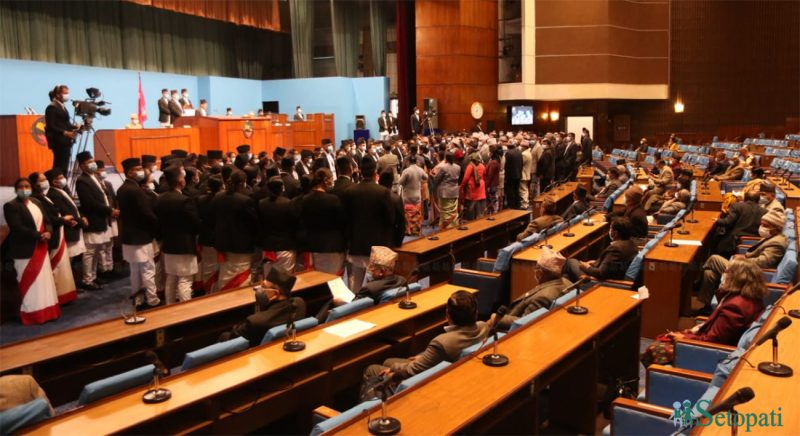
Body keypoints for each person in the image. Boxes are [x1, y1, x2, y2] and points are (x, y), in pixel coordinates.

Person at [643, 259, 766, 367]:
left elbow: (712, 341)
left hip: (711, 353)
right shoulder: (750, 297)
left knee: (654, 349)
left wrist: (684, 338)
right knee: (665, 339)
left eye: (727, 272)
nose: (723, 275)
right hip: (712, 343)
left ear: (736, 277)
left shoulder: (736, 306)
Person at [361, 290, 488, 384]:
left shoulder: (442, 342)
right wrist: (425, 357)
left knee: (371, 369)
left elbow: (412, 371)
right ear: (476, 313)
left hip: (431, 380)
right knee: (388, 361)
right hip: (455, 369)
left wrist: (394, 370)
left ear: (447, 314)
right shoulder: (483, 327)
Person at [697, 211, 787, 309]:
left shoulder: (777, 243)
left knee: (714, 258)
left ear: (776, 227)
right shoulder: (772, 236)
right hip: (747, 268)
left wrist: (744, 259)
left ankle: (697, 280)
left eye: (765, 225)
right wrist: (744, 258)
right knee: (709, 273)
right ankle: (707, 307)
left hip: (750, 274)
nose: (761, 227)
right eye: (761, 224)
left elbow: (764, 262)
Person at [3, 178, 61, 324]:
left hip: (42, 247)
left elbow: (47, 221)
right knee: (31, 284)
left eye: (27, 186)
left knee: (43, 282)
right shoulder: (11, 206)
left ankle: (48, 313)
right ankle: (32, 315)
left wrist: (48, 232)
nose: (24, 189)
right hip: (25, 251)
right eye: (21, 186)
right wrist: (39, 235)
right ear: (16, 189)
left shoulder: (36, 202)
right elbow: (17, 227)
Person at [341, 158, 396, 291]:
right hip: (378, 246)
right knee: (377, 287)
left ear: (360, 171)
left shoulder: (349, 191)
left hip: (356, 245)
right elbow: (390, 219)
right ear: (375, 173)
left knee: (354, 285)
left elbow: (345, 220)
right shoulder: (382, 192)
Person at [219, 267, 305, 347]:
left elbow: (231, 338)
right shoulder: (300, 304)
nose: (259, 290)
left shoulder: (255, 321)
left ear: (275, 293)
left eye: (263, 287)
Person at [117, 158, 160, 308]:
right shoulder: (136, 190)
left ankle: (138, 299)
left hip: (129, 237)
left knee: (134, 271)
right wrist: (157, 225)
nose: (141, 171)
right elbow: (147, 214)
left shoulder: (122, 189)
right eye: (138, 169)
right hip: (141, 237)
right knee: (148, 270)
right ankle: (152, 299)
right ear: (130, 172)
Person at [29, 172, 77, 305]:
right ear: (34, 184)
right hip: (52, 235)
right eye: (42, 180)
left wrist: (67, 221)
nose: (45, 182)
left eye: (45, 179)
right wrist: (63, 219)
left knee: (62, 267)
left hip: (59, 232)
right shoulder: (35, 199)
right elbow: (47, 219)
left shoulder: (43, 196)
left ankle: (64, 295)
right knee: (56, 267)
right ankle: (57, 296)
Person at [155, 166, 201, 304]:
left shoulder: (160, 198)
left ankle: (169, 306)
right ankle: (186, 310)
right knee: (185, 280)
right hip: (184, 245)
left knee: (171, 278)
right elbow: (195, 223)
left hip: (168, 244)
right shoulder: (184, 200)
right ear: (180, 181)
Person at [495, 248, 571, 331]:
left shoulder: (542, 297)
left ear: (540, 273)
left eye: (536, 268)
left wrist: (498, 320)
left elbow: (524, 322)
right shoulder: (567, 282)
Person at [74, 151, 117, 290]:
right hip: (93, 220)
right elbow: (90, 202)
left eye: (92, 161)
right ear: (82, 166)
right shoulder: (82, 180)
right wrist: (109, 210)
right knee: (90, 252)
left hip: (101, 220)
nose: (92, 164)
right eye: (89, 162)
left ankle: (93, 276)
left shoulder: (95, 177)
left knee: (98, 249)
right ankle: (87, 280)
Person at [212, 170, 258, 291]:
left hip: (222, 242)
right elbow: (253, 223)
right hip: (241, 244)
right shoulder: (245, 200)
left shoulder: (218, 197)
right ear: (242, 183)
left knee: (225, 274)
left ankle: (224, 299)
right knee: (240, 277)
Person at [300, 169, 346, 275]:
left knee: (317, 279)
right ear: (325, 180)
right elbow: (342, 222)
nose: (332, 182)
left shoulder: (305, 199)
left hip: (312, 244)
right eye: (331, 179)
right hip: (332, 245)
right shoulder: (333, 199)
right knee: (332, 280)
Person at [563, 217, 638, 281]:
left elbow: (601, 273)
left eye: (610, 228)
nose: (609, 231)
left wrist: (587, 267)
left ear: (615, 233)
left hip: (599, 281)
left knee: (570, 262)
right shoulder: (632, 244)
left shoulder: (616, 249)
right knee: (569, 273)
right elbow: (614, 265)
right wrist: (596, 262)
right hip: (608, 273)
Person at [44, 168, 87, 265]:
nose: (64, 179)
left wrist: (82, 217)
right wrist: (81, 221)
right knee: (67, 260)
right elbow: (65, 212)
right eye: (61, 177)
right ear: (54, 181)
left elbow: (73, 207)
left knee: (71, 259)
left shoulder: (61, 190)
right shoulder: (53, 194)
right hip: (69, 229)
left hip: (75, 226)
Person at [713, 191, 764, 257]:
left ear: (745, 198)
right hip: (754, 245)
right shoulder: (764, 211)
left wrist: (716, 220)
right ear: (758, 200)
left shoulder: (737, 206)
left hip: (734, 244)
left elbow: (727, 222)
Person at [196, 175, 223, 293]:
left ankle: (208, 292)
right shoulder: (222, 200)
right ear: (221, 186)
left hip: (205, 236)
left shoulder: (200, 199)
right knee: (218, 267)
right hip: (218, 237)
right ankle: (214, 292)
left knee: (207, 267)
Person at [44, 84, 78, 173]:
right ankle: (57, 180)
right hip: (59, 141)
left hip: (66, 141)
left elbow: (65, 123)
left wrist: (76, 127)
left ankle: (63, 180)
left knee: (64, 166)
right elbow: (51, 126)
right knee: (60, 166)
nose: (67, 95)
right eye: (65, 93)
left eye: (68, 93)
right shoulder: (52, 107)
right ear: (58, 95)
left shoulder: (62, 106)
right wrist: (65, 133)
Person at [398, 156, 428, 236]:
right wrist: (419, 180)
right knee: (417, 213)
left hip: (408, 196)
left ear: (408, 162)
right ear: (416, 161)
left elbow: (400, 182)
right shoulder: (420, 169)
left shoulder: (406, 171)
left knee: (408, 214)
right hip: (417, 195)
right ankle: (416, 229)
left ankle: (409, 230)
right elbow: (426, 177)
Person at [379, 170, 407, 247]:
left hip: (373, 240)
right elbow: (401, 224)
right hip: (391, 240)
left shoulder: (373, 196)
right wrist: (398, 242)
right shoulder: (396, 199)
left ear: (379, 181)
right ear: (392, 182)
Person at [433, 152, 461, 228]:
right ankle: (454, 226)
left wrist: (434, 176)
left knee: (445, 212)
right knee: (453, 212)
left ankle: (447, 228)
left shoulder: (443, 168)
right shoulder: (458, 167)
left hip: (445, 192)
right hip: (454, 192)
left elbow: (437, 179)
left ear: (446, 159)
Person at [460, 153, 486, 220]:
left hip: (473, 189)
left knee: (471, 210)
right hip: (481, 187)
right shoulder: (482, 166)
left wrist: (461, 186)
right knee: (480, 210)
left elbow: (466, 178)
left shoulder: (470, 166)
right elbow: (484, 176)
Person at [504, 142, 522, 209]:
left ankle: (511, 205)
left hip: (510, 175)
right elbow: (521, 163)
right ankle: (517, 205)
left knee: (510, 191)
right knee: (516, 190)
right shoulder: (519, 152)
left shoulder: (508, 153)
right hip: (518, 174)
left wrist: (506, 175)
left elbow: (507, 165)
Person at [485, 148, 502, 215]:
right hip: (494, 184)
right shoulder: (495, 161)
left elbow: (490, 175)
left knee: (493, 201)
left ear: (492, 153)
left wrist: (486, 185)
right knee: (493, 200)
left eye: (489, 152)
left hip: (492, 184)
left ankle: (494, 214)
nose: (488, 153)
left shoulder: (493, 162)